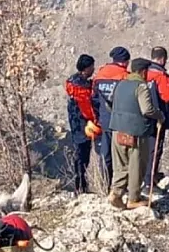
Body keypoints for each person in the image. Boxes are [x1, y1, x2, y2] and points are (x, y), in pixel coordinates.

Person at [105, 58, 163, 210]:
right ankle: (133, 198)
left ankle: (115, 193)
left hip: (117, 130)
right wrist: (160, 116)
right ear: (143, 72)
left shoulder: (120, 84)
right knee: (137, 165)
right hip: (136, 132)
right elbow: (147, 110)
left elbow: (109, 104)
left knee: (121, 165)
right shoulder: (141, 87)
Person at [91, 47, 131, 186]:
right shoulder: (125, 76)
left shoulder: (99, 75)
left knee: (105, 154)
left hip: (105, 120)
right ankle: (120, 186)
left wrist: (99, 117)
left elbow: (94, 99)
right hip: (122, 123)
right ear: (125, 62)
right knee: (123, 155)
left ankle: (105, 184)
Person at [145, 46, 169, 192]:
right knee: (155, 150)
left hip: (143, 117)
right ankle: (149, 180)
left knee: (144, 149)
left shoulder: (143, 73)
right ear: (163, 59)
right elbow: (167, 96)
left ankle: (145, 177)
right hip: (158, 119)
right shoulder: (160, 76)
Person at [64, 54, 99, 194]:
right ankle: (81, 187)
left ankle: (80, 185)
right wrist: (95, 121)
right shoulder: (81, 87)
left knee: (80, 155)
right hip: (83, 125)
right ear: (86, 68)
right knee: (82, 156)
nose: (93, 69)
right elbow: (86, 109)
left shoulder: (73, 82)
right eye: (92, 66)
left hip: (76, 124)